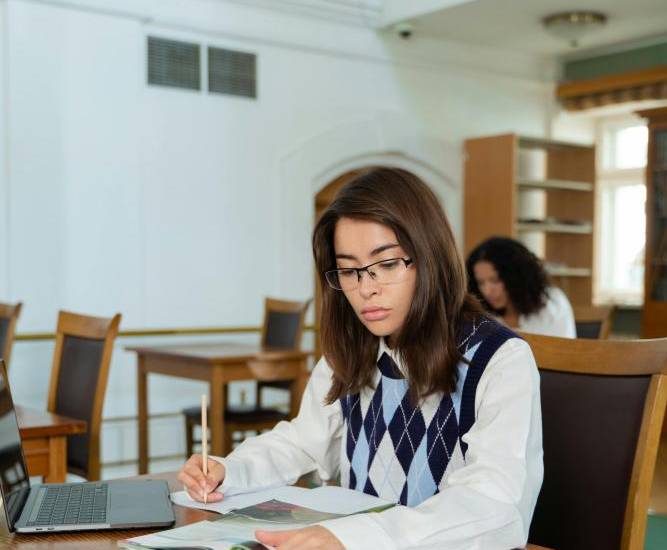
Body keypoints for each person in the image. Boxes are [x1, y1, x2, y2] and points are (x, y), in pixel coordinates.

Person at [179, 168, 543, 549]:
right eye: (350, 271)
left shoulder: (500, 360)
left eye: (386, 265)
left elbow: (492, 506)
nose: (366, 289)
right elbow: (303, 442)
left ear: (430, 257)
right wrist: (231, 470)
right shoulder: (353, 351)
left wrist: (356, 538)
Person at [466, 236, 576, 338]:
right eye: (481, 282)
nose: (487, 291)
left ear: (516, 276)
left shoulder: (553, 303)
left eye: (495, 280)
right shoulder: (480, 315)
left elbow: (565, 353)